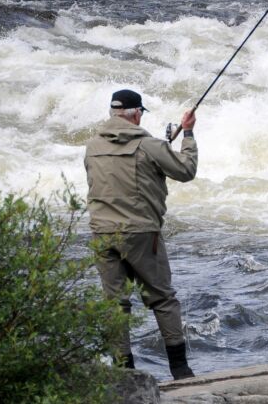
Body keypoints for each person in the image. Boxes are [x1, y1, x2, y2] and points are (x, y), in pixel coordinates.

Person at [84, 89, 197, 380]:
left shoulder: (92, 145)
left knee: (115, 304)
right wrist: (187, 135)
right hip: (142, 234)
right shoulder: (150, 145)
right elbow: (186, 171)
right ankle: (180, 370)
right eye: (140, 113)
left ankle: (124, 374)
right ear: (135, 113)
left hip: (102, 233)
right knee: (162, 299)